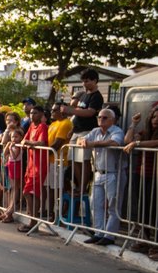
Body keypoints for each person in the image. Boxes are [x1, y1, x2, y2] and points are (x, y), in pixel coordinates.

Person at [77, 108, 125, 246]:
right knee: (95, 204)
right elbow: (83, 139)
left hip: (113, 173)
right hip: (98, 172)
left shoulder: (117, 131)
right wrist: (83, 142)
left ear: (112, 120)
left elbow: (114, 142)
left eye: (104, 118)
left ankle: (109, 235)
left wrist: (92, 144)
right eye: (99, 117)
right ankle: (98, 232)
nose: (101, 120)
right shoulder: (95, 131)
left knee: (113, 206)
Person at [63, 68, 104, 201]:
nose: (84, 84)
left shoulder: (97, 96)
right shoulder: (84, 95)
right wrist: (73, 128)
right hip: (77, 130)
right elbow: (79, 112)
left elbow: (89, 112)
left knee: (84, 160)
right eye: (83, 82)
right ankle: (78, 184)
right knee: (73, 159)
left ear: (94, 80)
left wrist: (72, 110)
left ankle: (83, 186)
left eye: (87, 81)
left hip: (87, 131)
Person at [123, 108, 158, 260]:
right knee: (144, 208)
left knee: (155, 210)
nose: (155, 119)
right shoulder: (145, 131)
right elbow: (127, 141)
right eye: (154, 117)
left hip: (155, 175)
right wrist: (133, 124)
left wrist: (137, 143)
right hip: (143, 174)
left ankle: (155, 244)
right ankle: (145, 239)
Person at [17, 105, 49, 232]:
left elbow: (42, 143)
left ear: (41, 114)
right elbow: (24, 140)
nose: (32, 115)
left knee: (29, 192)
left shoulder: (43, 127)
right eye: (31, 113)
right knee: (30, 192)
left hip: (39, 165)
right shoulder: (31, 126)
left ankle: (33, 221)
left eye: (35, 113)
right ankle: (32, 219)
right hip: (30, 164)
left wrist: (28, 143)